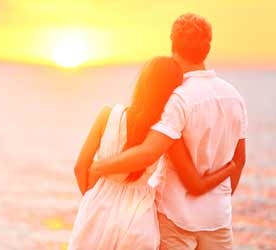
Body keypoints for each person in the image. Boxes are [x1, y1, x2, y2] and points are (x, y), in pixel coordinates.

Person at [91, 13, 248, 249]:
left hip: (176, 220)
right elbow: (239, 158)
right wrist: (221, 199)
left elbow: (148, 153)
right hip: (217, 220)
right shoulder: (234, 96)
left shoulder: (179, 98)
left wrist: (101, 167)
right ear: (207, 48)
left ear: (173, 45)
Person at [68, 56, 236, 250]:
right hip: (138, 218)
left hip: (97, 210)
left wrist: (93, 198)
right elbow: (194, 182)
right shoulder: (164, 131)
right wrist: (229, 168)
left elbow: (80, 167)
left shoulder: (107, 115)